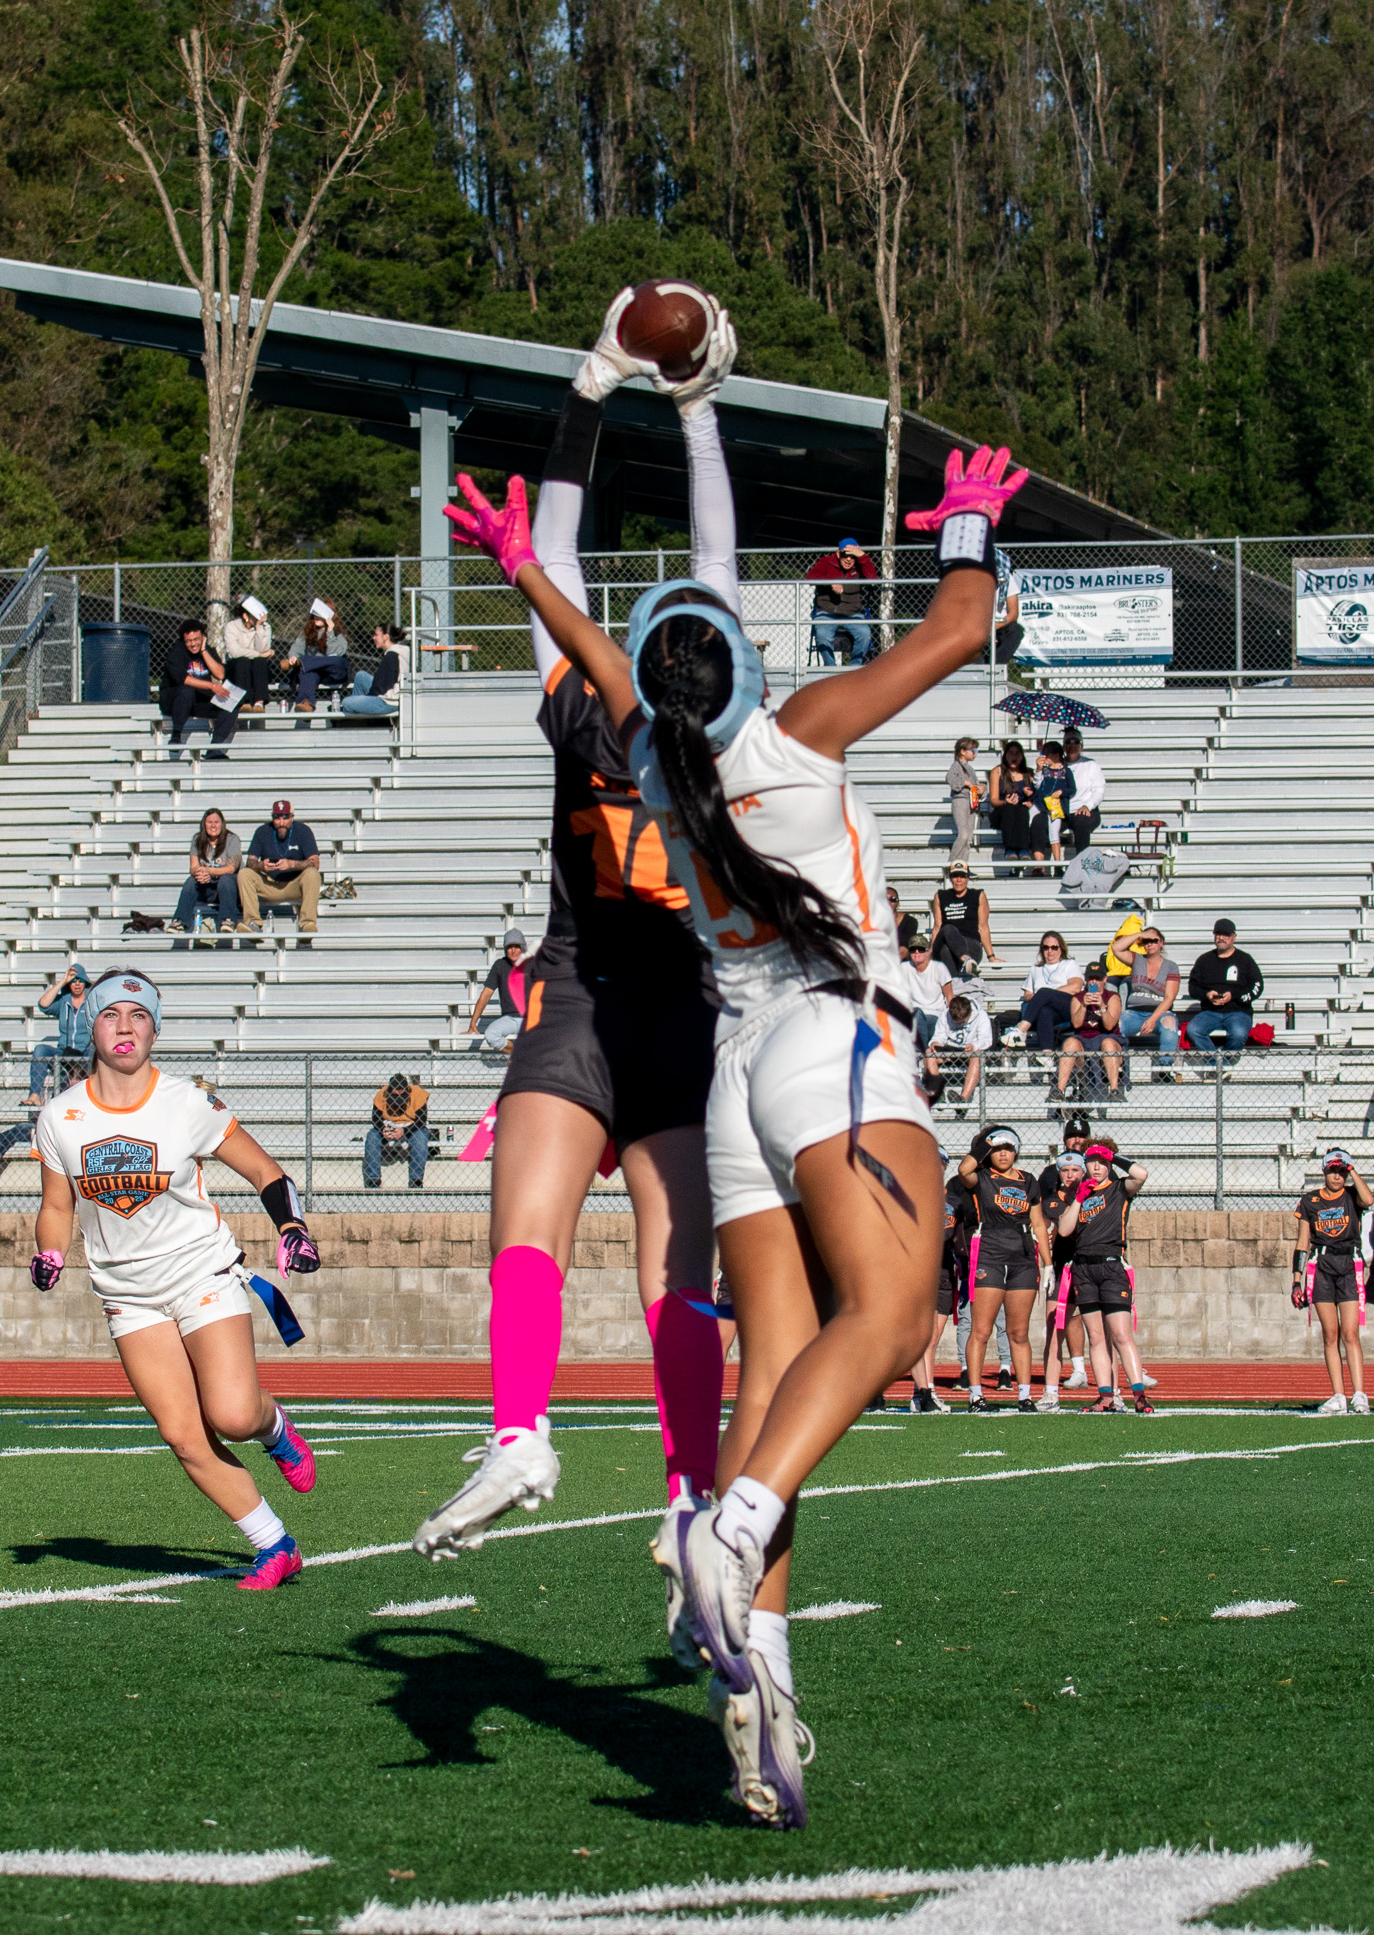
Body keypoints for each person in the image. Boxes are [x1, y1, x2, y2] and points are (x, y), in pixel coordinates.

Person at [448, 409, 1027, 1827]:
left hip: (734, 1081)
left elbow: (600, 663)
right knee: (892, 1319)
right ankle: (731, 1522)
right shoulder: (792, 731)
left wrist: (525, 570)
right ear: (745, 669)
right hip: (829, 1039)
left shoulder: (650, 756)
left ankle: (758, 1690)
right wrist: (964, 522)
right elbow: (961, 627)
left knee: (772, 1371)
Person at [411, 291, 736, 1599]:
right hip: (676, 1006)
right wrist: (696, 407)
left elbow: (555, 546)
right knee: (675, 1275)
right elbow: (714, 552)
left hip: (585, 992)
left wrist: (590, 390)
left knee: (527, 1233)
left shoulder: (580, 711)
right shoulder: (730, 730)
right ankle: (686, 1496)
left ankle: (522, 1432)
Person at [27, 967, 323, 1588]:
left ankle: (275, 1428)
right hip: (127, 1295)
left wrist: (292, 1227)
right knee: (184, 1436)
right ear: (91, 1027)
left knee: (233, 1416)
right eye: (111, 1014)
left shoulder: (187, 1101)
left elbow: (267, 1172)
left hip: (199, 1272)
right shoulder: (59, 1116)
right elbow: (56, 1205)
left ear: (155, 1031)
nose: (125, 1026)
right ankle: (274, 1544)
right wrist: (50, 1251)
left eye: (139, 1016)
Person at [1054, 1135, 1152, 1414]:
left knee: (1121, 1335)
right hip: (1084, 1268)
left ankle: (1139, 1395)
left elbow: (1141, 1174)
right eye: (1092, 1161)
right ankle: (1105, 1395)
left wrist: (1113, 1156)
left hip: (1111, 1266)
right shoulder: (1080, 1193)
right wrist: (1078, 1199)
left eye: (1102, 1161)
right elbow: (1064, 1230)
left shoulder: (1120, 1188)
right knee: (1096, 1338)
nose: (1096, 1167)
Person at [958, 1126, 1048, 1412]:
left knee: (1019, 1333)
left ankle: (1024, 1396)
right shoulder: (982, 1177)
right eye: (998, 1149)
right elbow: (964, 1170)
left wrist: (1048, 1264)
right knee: (981, 1330)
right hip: (990, 1255)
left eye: (1008, 1148)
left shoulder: (1028, 1180)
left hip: (1022, 1258)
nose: (1003, 1154)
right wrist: (986, 1143)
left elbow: (1038, 1223)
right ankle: (976, 1395)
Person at [1293, 1148, 1373, 1416]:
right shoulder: (1310, 1201)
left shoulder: (1351, 1196)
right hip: (1322, 1267)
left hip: (1348, 1265)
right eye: (1332, 1171)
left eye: (1341, 1171)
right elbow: (1302, 1242)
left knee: (1350, 1333)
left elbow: (1368, 1199)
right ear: (1324, 1171)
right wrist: (1296, 1281)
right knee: (1330, 1334)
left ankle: (1359, 1394)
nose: (1337, 1176)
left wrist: (1352, 1169)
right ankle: (1339, 1396)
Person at [1036, 1114, 1093, 1390]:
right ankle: (1058, 1384)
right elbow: (1043, 1218)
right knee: (1059, 1320)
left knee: (1103, 1323)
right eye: (1072, 1135)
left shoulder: (1098, 1178)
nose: (1077, 1140)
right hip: (1061, 1262)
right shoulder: (1050, 1181)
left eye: (1082, 1136)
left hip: (1091, 1261)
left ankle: (1120, 1380)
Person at [913, 1161, 966, 1412]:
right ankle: (923, 1392)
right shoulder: (913, 1195)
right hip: (920, 1270)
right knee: (924, 1335)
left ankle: (925, 1392)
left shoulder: (954, 1201)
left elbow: (959, 1238)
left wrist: (964, 1263)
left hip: (945, 1271)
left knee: (933, 1338)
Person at [238, 799, 321, 941]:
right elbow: (250, 861)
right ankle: (253, 924)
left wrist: (292, 864)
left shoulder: (303, 831)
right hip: (270, 884)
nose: (281, 822)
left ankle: (307, 923)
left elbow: (315, 863)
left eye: (285, 817)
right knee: (244, 873)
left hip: (295, 885)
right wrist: (261, 865)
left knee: (312, 874)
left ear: (292, 817)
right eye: (277, 817)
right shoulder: (262, 831)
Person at [1187, 919, 1263, 1068]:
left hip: (1238, 1011)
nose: (1221, 938)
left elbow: (1257, 986)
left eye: (1226, 935)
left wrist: (1233, 995)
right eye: (1218, 934)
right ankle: (1216, 1065)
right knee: (1193, 1030)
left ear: (1234, 937)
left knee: (1239, 1034)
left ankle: (1223, 1066)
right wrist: (1207, 995)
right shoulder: (1204, 960)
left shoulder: (1245, 960)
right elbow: (1193, 987)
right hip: (1210, 1012)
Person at [1110, 925, 1182, 1079]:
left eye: (1154, 940)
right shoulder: (1137, 960)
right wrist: (1140, 934)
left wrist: (1152, 1019)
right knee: (1115, 1027)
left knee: (1169, 1024)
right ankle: (1117, 1066)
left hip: (1159, 1012)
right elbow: (1116, 948)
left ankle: (1164, 1069)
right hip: (1134, 1012)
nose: (1150, 944)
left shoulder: (1171, 966)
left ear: (1161, 942)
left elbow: (1169, 998)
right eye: (1146, 941)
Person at [160, 620, 238, 758]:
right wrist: (211, 686)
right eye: (189, 641)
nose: (193, 644)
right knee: (187, 690)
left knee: (231, 704)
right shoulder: (177, 652)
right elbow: (184, 679)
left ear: (203, 637)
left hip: (198, 700)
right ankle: (176, 736)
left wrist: (204, 651)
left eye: (196, 639)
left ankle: (214, 748)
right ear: (183, 641)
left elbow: (220, 674)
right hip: (175, 700)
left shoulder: (208, 650)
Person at [22, 964, 93, 1105]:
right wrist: (62, 982)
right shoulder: (63, 1001)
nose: (77, 983)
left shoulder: (92, 1001)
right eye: (73, 980)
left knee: (95, 1051)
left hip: (85, 1052)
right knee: (40, 1050)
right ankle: (35, 1095)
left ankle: (93, 1096)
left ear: (85, 982)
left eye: (80, 980)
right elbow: (43, 1005)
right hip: (64, 1052)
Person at [167, 809, 242, 942]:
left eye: (216, 822)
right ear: (204, 824)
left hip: (229, 889)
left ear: (222, 824)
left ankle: (227, 920)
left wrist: (208, 871)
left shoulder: (232, 839)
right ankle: (179, 922)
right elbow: (193, 867)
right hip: (207, 885)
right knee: (191, 881)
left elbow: (231, 868)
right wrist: (199, 873)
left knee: (226, 880)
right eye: (209, 822)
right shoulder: (197, 839)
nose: (213, 826)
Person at [1054, 961, 1124, 1103]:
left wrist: (1102, 1006)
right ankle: (1059, 1091)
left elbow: (1109, 1026)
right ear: (1086, 979)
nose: (1094, 982)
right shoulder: (1078, 998)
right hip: (1084, 1043)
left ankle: (1114, 1090)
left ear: (1105, 979)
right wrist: (1084, 1005)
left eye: (1098, 979)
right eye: (1091, 978)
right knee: (1070, 1042)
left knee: (1108, 1043)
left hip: (1107, 1042)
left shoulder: (1112, 997)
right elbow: (1076, 1024)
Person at [804, 538, 877, 666]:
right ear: (838, 553)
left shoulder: (861, 565)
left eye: (852, 556)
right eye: (845, 555)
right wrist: (830, 582)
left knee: (864, 634)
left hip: (852, 613)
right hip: (827, 611)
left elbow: (873, 579)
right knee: (822, 635)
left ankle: (854, 668)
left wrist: (863, 557)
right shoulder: (826, 562)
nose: (848, 559)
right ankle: (831, 668)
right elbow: (810, 577)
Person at [930, 862, 1002, 980]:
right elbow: (937, 927)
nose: (959, 880)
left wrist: (991, 956)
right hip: (945, 941)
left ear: (968, 878)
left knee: (947, 950)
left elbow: (983, 927)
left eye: (962, 876)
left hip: (970, 943)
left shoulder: (977, 895)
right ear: (950, 878)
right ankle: (966, 959)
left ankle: (954, 984)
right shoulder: (941, 895)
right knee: (948, 929)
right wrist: (931, 952)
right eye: (955, 876)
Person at [1015, 931, 1084, 1053]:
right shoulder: (1035, 969)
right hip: (1047, 1010)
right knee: (1044, 1011)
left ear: (1061, 949)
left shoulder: (1069, 964)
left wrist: (1047, 995)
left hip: (1067, 1006)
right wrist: (1039, 999)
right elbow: (1027, 995)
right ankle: (1046, 1053)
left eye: (1054, 947)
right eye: (1046, 947)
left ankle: (1021, 1030)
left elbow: (1076, 987)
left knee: (1044, 993)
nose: (1050, 951)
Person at [924, 993, 991, 1114]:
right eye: (956, 1021)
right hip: (948, 1052)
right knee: (928, 1052)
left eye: (962, 1021)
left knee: (977, 1056)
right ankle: (937, 1093)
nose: (960, 1024)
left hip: (968, 1054)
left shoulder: (981, 1016)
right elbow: (939, 1035)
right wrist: (935, 1043)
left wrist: (974, 1045)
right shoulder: (945, 1015)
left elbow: (986, 1040)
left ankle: (963, 1100)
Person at [364, 1071, 430, 1191]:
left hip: (411, 1126)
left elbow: (422, 1120)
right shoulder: (382, 1094)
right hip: (389, 1124)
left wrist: (404, 1130)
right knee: (372, 1137)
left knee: (420, 1138)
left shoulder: (417, 1093)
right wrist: (383, 1129)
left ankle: (416, 1180)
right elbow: (375, 1118)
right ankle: (374, 1180)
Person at [467, 930, 529, 1052]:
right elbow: (486, 994)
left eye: (516, 946)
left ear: (522, 947)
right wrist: (473, 1021)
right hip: (509, 1018)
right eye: (509, 947)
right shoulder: (500, 966)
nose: (513, 950)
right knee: (491, 1035)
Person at [281, 605, 348, 711]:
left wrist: (330, 632)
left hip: (332, 674)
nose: (316, 616)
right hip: (315, 673)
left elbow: (334, 653)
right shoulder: (308, 633)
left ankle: (302, 662)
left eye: (320, 614)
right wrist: (293, 656)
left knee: (340, 661)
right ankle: (306, 703)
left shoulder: (337, 634)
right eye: (315, 613)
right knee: (307, 671)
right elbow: (297, 646)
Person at [341, 622, 412, 718]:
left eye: (376, 635)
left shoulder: (391, 656)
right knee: (361, 676)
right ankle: (360, 719)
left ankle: (361, 720)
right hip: (390, 694)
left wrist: (367, 699)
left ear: (386, 637)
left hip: (389, 701)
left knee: (346, 702)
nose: (373, 638)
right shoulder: (397, 651)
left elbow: (383, 687)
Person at [988, 741, 1037, 871]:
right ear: (1005, 755)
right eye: (1010, 753)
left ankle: (1023, 849)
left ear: (1022, 756)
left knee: (1022, 809)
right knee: (1010, 809)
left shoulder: (1028, 773)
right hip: (1002, 812)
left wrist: (1031, 799)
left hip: (1022, 812)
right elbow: (994, 800)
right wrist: (1005, 802)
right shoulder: (997, 771)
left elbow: (1038, 794)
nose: (1013, 757)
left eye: (1017, 753)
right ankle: (1010, 849)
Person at [224, 596, 273, 710]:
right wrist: (259, 654)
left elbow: (262, 649)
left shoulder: (265, 627)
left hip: (256, 667)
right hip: (237, 667)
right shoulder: (232, 627)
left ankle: (259, 702)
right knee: (243, 661)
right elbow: (235, 652)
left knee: (260, 662)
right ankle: (244, 702)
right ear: (246, 616)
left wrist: (259, 628)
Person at [1062, 726, 1106, 855]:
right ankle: (1039, 862)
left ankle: (1083, 859)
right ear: (1064, 746)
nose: (1072, 745)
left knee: (1081, 821)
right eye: (1068, 742)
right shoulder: (1056, 766)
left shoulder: (1091, 765)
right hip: (1063, 812)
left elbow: (1099, 790)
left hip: (1086, 811)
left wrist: (1087, 806)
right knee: (1041, 822)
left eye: (1076, 742)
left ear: (1081, 745)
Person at [905, 935, 953, 1050]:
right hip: (915, 1016)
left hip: (936, 1014)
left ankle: (923, 1052)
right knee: (916, 1014)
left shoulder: (939, 968)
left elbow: (950, 997)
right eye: (913, 949)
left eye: (921, 949)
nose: (917, 952)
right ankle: (927, 1052)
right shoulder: (903, 968)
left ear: (928, 951)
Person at [1032, 741, 1075, 871]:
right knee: (1029, 822)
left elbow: (1072, 789)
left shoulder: (1066, 771)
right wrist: (1038, 770)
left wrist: (1061, 792)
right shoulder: (1045, 770)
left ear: (1056, 756)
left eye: (1046, 754)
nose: (1044, 757)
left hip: (1056, 807)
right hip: (1042, 805)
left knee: (1054, 834)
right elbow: (1037, 785)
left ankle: (1058, 864)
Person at [945, 737, 983, 868]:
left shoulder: (970, 769)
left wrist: (981, 789)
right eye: (973, 750)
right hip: (960, 800)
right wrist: (965, 782)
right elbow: (950, 779)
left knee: (968, 838)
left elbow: (976, 784)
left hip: (971, 802)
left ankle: (963, 866)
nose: (975, 753)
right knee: (963, 835)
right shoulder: (956, 766)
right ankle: (951, 865)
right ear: (962, 751)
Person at [885, 886, 917, 960]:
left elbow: (903, 951)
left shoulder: (910, 922)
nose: (888, 902)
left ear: (897, 903)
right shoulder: (871, 921)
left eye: (892, 899)